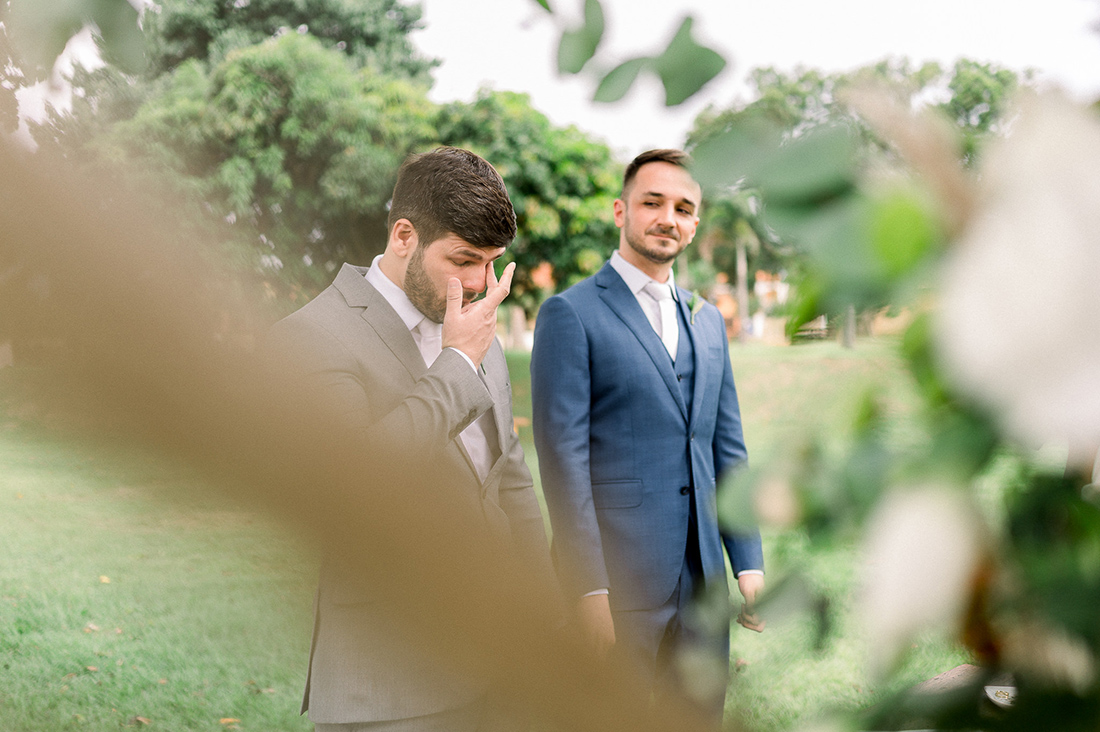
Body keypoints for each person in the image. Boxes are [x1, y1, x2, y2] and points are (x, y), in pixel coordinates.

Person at [268, 146, 555, 732]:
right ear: (404, 235)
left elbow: (510, 480)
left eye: (494, 262)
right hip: (391, 687)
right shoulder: (310, 336)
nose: (480, 283)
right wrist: (455, 363)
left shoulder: (481, 335)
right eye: (464, 259)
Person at [530, 149, 765, 725]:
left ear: (695, 222)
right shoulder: (571, 314)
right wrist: (587, 591)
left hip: (704, 584)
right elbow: (563, 460)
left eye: (684, 208)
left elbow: (726, 448)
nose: (668, 218)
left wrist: (749, 564)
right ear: (620, 210)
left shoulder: (708, 319)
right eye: (653, 202)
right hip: (618, 584)